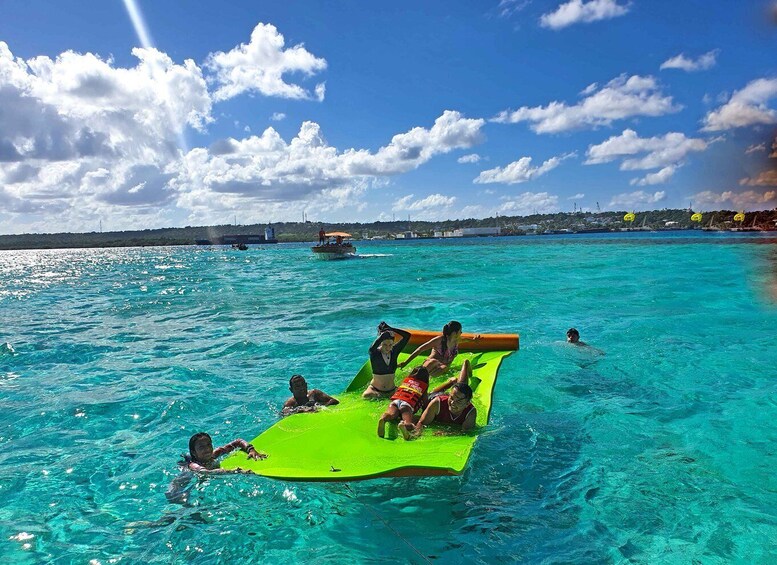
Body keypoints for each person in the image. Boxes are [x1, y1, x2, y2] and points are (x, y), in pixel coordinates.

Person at [413, 359, 477, 437]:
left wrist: (447, 433)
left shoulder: (470, 412)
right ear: (449, 396)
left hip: (450, 396)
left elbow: (466, 432)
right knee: (433, 394)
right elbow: (422, 423)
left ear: (467, 404)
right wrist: (416, 434)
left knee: (462, 385)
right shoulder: (437, 403)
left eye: (459, 401)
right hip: (434, 396)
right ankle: (450, 383)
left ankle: (466, 364)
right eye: (451, 398)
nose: (453, 403)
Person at [399, 321, 479, 377]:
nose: (461, 333)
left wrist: (474, 340)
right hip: (430, 366)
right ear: (454, 333)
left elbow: (466, 339)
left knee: (444, 367)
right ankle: (414, 378)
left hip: (443, 369)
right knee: (433, 362)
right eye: (460, 331)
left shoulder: (456, 340)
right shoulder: (439, 340)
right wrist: (406, 362)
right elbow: (420, 349)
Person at [377, 366, 429, 440]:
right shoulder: (424, 386)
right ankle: (403, 425)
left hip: (395, 401)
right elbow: (425, 402)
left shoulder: (406, 380)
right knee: (408, 423)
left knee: (391, 415)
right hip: (407, 404)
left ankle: (384, 418)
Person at [363, 322, 412, 399]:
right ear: (380, 343)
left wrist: (392, 329)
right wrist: (383, 335)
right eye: (385, 345)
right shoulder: (375, 353)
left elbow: (407, 336)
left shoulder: (394, 351)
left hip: (392, 390)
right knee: (366, 396)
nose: (388, 348)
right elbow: (371, 349)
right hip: (375, 391)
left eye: (390, 345)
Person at [181, 432, 266, 474]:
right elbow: (207, 472)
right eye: (201, 447)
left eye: (208, 444)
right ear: (194, 452)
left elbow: (238, 442)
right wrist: (234, 471)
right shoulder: (193, 465)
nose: (207, 449)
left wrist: (251, 450)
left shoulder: (214, 454)